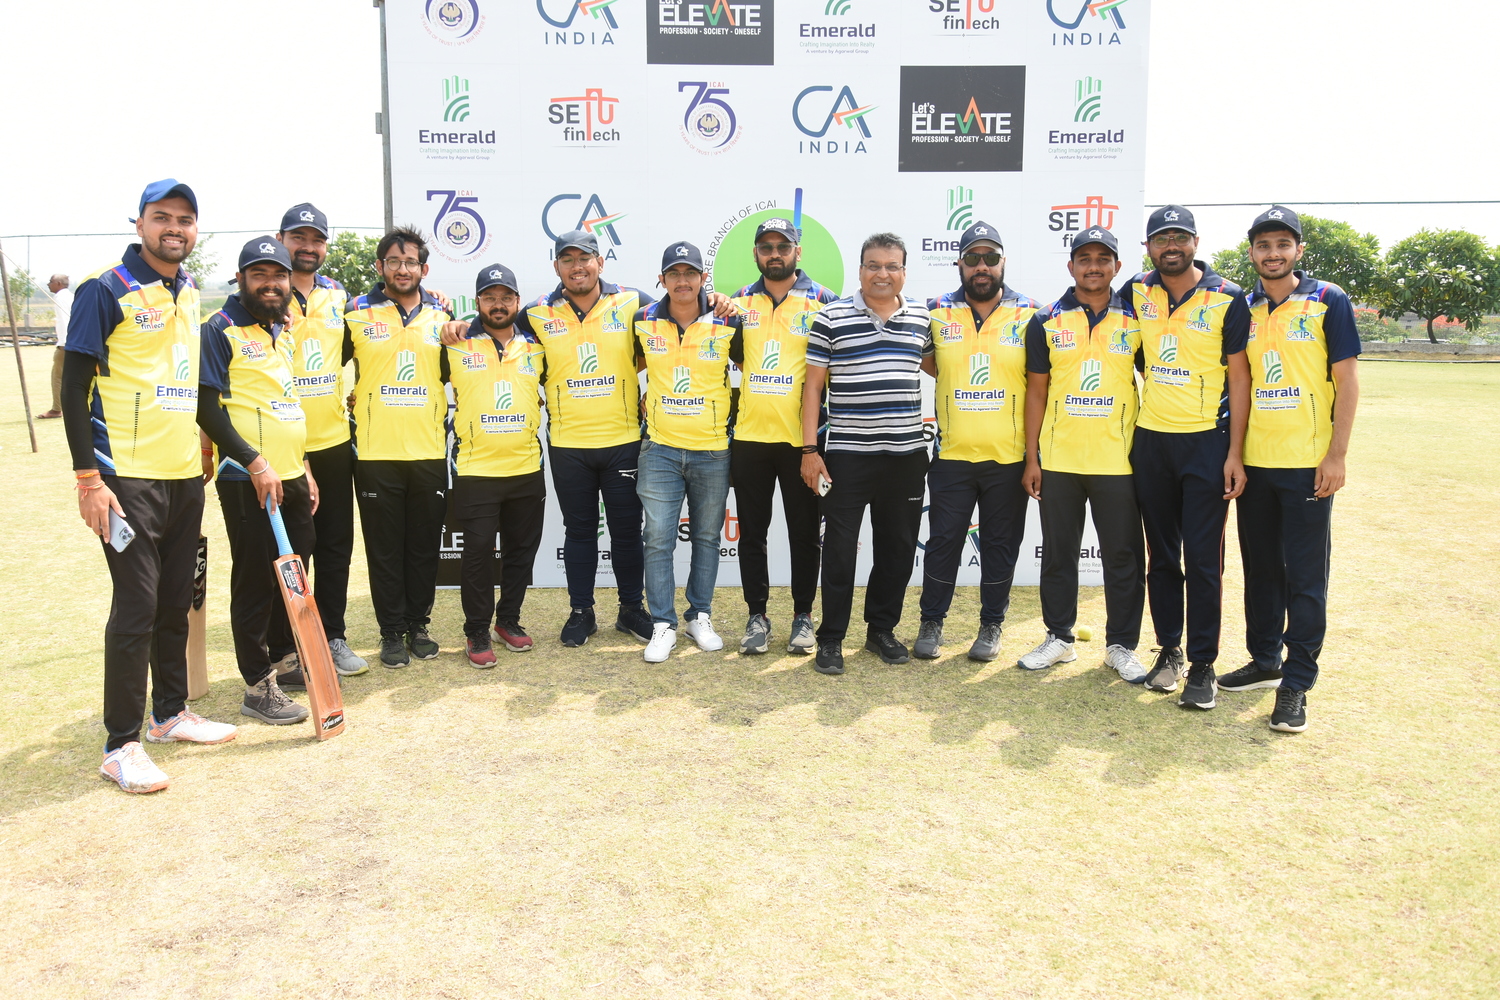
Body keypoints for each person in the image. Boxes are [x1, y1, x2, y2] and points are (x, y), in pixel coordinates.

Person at [61, 179, 237, 794]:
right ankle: (120, 745)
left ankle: (169, 714)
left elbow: (184, 384)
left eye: (185, 219)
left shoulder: (187, 290)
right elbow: (73, 388)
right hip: (124, 479)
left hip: (184, 475)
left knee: (174, 601)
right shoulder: (105, 288)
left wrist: (207, 447)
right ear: (139, 224)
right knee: (135, 606)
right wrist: (89, 478)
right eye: (162, 217)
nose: (174, 228)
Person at [1217, 206, 1360, 734]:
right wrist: (1235, 455)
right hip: (1256, 464)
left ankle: (1297, 681)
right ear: (1252, 252)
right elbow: (1240, 384)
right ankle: (1264, 661)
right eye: (1263, 245)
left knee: (1304, 576)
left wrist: (1336, 455)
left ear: (1298, 250)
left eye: (1283, 244)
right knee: (1261, 571)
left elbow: (1347, 381)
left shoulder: (1327, 299)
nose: (1273, 254)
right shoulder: (1243, 306)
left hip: (1307, 466)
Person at [1124, 205, 1250, 710]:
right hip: (1152, 442)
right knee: (1161, 557)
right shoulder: (1136, 290)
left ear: (1196, 242)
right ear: (1148, 247)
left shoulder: (1228, 296)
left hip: (1206, 444)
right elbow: (1127, 350)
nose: (1170, 246)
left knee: (1202, 560)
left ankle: (1203, 665)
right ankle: (1169, 651)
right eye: (1161, 239)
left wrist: (1235, 452)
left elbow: (1240, 376)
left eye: (1179, 237)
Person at [1018, 227, 1149, 683]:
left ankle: (1121, 646)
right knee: (1058, 555)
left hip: (1119, 460)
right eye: (1085, 258)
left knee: (1123, 557)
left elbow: (1158, 377)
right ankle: (1059, 638)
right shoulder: (1046, 320)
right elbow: (1036, 392)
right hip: (1060, 460)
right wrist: (1032, 458)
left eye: (1103, 258)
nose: (1094, 266)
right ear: (1071, 265)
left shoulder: (1137, 318)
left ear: (1117, 266)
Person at [800, 233, 932, 676]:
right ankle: (831, 637)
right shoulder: (830, 317)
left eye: (892, 266)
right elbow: (813, 389)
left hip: (906, 456)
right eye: (873, 265)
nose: (882, 274)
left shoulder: (921, 318)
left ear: (904, 271)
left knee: (897, 550)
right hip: (848, 457)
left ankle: (881, 630)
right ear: (860, 270)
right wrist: (810, 449)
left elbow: (939, 368)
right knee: (840, 551)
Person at [198, 238, 316, 726]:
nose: (271, 283)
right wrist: (254, 462)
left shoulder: (280, 328)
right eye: (259, 274)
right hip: (246, 477)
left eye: (279, 275)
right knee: (254, 579)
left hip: (289, 473)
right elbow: (206, 408)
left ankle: (284, 659)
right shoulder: (219, 328)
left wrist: (303, 466)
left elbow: (283, 401)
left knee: (293, 567)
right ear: (241, 278)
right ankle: (256, 685)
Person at [916, 222, 1042, 662]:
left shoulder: (1032, 313)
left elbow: (1039, 382)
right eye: (973, 258)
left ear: (1003, 262)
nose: (981, 266)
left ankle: (991, 625)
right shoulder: (935, 311)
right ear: (960, 264)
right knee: (942, 543)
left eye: (990, 258)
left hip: (1009, 459)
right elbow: (932, 365)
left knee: (999, 547)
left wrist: (1033, 456)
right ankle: (931, 621)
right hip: (952, 456)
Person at [342, 227, 453, 668]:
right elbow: (325, 366)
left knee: (423, 548)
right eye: (393, 262)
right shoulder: (355, 312)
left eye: (410, 263)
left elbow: (460, 371)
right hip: (375, 453)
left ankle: (418, 626)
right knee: (384, 550)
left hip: (428, 450)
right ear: (380, 266)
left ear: (423, 269)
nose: (402, 269)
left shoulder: (442, 315)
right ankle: (390, 632)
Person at [728, 217, 836, 656]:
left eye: (783, 246)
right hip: (750, 439)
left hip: (803, 443)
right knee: (752, 534)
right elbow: (727, 357)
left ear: (797, 251)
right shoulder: (737, 303)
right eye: (766, 247)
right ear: (756, 253)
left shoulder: (824, 302)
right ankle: (757, 616)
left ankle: (803, 617)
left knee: (804, 534)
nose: (775, 254)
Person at [633, 242, 739, 662]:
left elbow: (752, 369)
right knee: (658, 538)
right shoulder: (642, 319)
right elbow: (624, 365)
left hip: (711, 450)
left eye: (690, 273)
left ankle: (700, 615)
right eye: (674, 273)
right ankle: (663, 623)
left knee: (707, 537)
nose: (682, 281)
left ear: (702, 278)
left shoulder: (728, 319)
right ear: (662, 279)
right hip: (659, 448)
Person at [441, 264, 548, 666]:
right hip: (476, 470)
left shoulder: (537, 345)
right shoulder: (455, 342)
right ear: (478, 301)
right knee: (478, 555)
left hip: (526, 467)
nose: (498, 304)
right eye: (490, 297)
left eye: (505, 297)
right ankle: (476, 631)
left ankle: (508, 621)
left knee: (521, 552)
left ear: (517, 301)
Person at [276, 203, 366, 677]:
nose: (308, 247)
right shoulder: (265, 292)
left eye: (316, 239)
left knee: (335, 546)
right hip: (282, 445)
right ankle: (290, 647)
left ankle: (333, 637)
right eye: (299, 237)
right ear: (281, 239)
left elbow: (360, 346)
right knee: (293, 551)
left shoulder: (338, 295)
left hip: (333, 442)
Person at [39, 273, 72, 419]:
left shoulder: (60, 298)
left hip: (66, 344)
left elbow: (64, 321)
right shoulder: (71, 296)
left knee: (57, 377)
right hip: (75, 342)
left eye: (51, 281)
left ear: (58, 283)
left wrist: (64, 343)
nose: (48, 284)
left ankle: (57, 409)